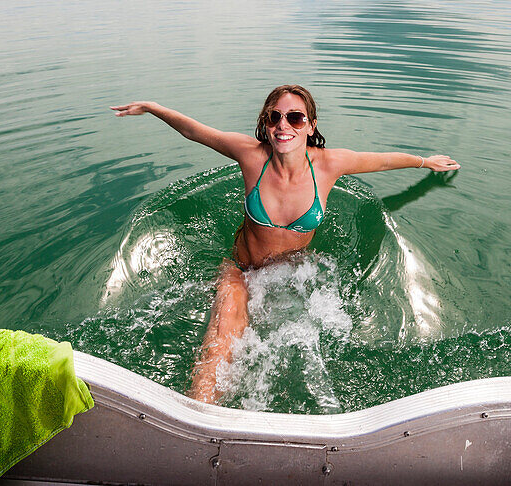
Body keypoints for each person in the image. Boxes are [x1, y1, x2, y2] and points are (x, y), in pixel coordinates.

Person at [111, 85, 460, 404]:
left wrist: (425, 161)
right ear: (266, 122)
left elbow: (382, 160)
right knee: (219, 343)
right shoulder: (251, 156)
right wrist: (154, 107)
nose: (283, 125)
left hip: (298, 271)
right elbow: (195, 131)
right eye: (275, 117)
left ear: (310, 125)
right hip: (242, 271)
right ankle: (199, 416)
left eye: (295, 117)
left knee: (306, 345)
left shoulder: (328, 165)